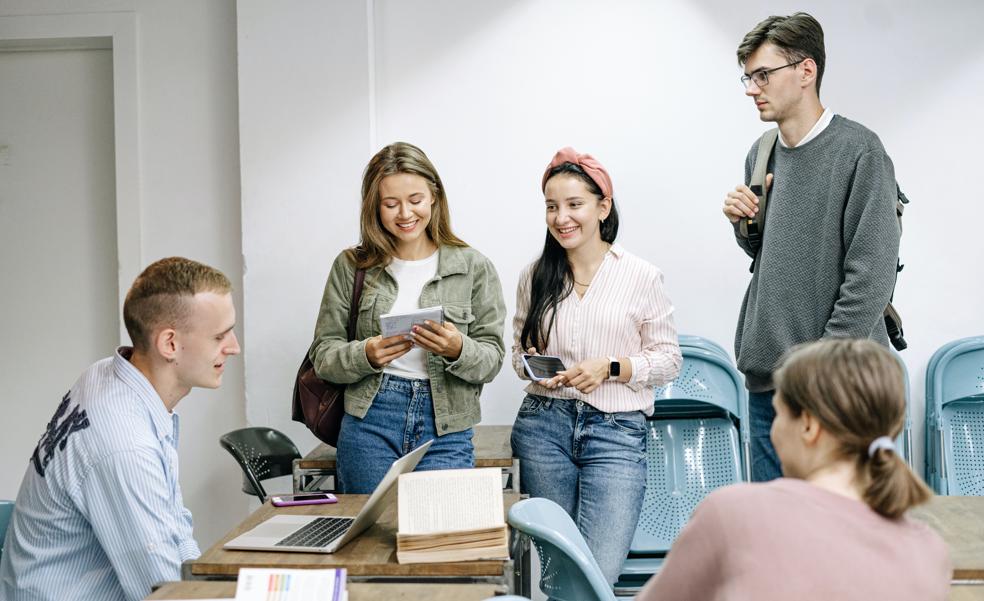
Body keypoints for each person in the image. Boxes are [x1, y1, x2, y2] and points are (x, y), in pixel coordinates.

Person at [722, 13, 902, 481]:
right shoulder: (760, 153)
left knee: (842, 538)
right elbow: (772, 257)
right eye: (748, 76)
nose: (751, 88)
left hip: (837, 389)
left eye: (763, 74)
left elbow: (871, 278)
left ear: (806, 71)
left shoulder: (861, 152)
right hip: (768, 386)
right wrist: (746, 226)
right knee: (775, 537)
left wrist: (817, 371)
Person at [0, 257, 241, 601]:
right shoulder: (124, 445)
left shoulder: (107, 374)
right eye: (220, 336)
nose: (233, 346)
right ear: (169, 344)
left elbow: (174, 525)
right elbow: (164, 592)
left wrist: (202, 578)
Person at [638, 338, 950, 600]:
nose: (773, 431)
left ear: (809, 426)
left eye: (778, 415)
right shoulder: (929, 552)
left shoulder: (733, 513)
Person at [510, 146, 682, 585]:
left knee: (596, 574)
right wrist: (531, 364)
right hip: (543, 428)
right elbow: (516, 353)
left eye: (574, 204)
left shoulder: (642, 276)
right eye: (551, 206)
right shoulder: (535, 276)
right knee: (556, 571)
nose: (561, 217)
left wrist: (611, 367)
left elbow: (668, 360)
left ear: (603, 207)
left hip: (617, 432)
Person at [310, 141, 506, 494]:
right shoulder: (351, 267)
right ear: (374, 207)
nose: (404, 214)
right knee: (367, 541)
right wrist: (366, 354)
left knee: (437, 539)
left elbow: (492, 359)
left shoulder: (473, 267)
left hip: (446, 425)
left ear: (434, 196)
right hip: (370, 420)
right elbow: (323, 355)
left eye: (415, 200)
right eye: (390, 204)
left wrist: (457, 348)